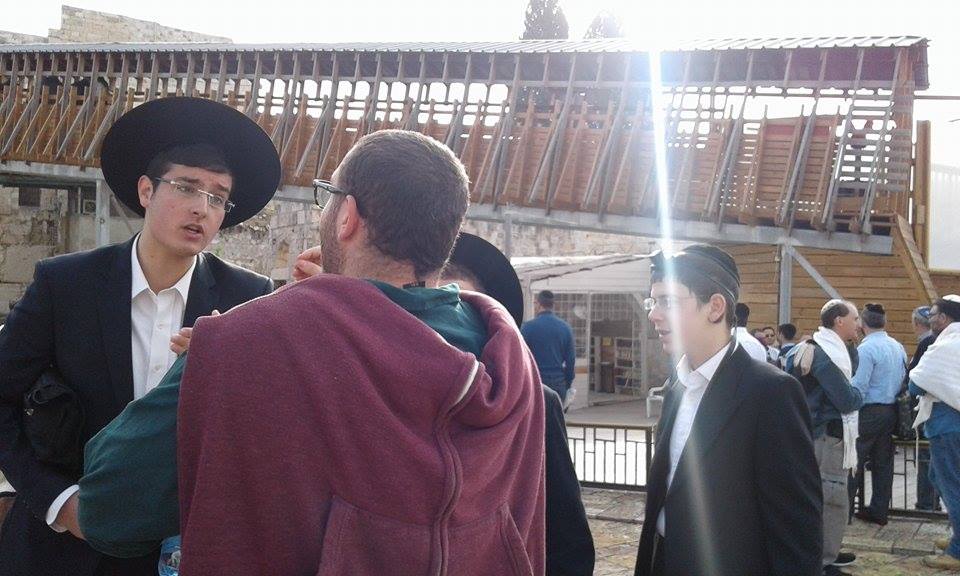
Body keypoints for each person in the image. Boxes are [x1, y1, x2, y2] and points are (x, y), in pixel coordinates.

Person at [69, 231, 593, 576]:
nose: (412, 311)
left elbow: (567, 553)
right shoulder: (294, 364)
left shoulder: (533, 406)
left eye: (440, 298)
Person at [175, 130, 545, 575]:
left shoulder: (243, 342)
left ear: (347, 216)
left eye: (329, 197)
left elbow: (109, 508)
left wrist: (235, 345)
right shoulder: (512, 361)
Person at [0, 97, 279, 576]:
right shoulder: (64, 285)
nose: (201, 208)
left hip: (180, 551)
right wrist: (59, 502)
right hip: (59, 546)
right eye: (187, 187)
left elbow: (267, 428)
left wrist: (224, 372)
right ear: (146, 190)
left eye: (217, 196)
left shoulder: (248, 296)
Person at [634, 245, 822, 576]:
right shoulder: (679, 386)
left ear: (716, 307)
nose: (653, 314)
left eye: (668, 301)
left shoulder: (770, 393)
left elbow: (796, 528)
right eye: (654, 301)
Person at [785, 300, 864, 576]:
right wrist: (861, 394)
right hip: (827, 437)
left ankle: (822, 553)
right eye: (855, 318)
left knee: (818, 498)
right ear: (839, 321)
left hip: (811, 433)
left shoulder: (818, 348)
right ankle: (822, 561)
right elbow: (846, 399)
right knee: (831, 500)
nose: (859, 324)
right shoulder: (824, 355)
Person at [911, 295, 960, 570]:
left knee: (952, 486)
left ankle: (958, 551)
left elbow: (916, 384)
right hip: (951, 423)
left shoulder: (946, 346)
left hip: (947, 426)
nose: (929, 319)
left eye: (932, 314)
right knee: (937, 478)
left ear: (944, 318)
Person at [848, 303, 907, 526]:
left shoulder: (866, 349)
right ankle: (879, 511)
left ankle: (845, 513)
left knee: (854, 461)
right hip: (891, 410)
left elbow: (860, 385)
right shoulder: (897, 346)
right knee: (884, 464)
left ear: (862, 324)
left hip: (869, 412)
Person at [910, 306, 941, 512]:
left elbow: (915, 378)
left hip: (930, 411)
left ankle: (927, 503)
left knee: (926, 458)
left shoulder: (927, 343)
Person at [522, 290, 577, 404]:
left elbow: (520, 357)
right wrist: (567, 382)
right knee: (556, 420)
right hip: (558, 383)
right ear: (553, 305)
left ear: (538, 304)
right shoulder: (565, 328)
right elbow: (570, 360)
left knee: (537, 420)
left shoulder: (528, 328)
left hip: (536, 382)